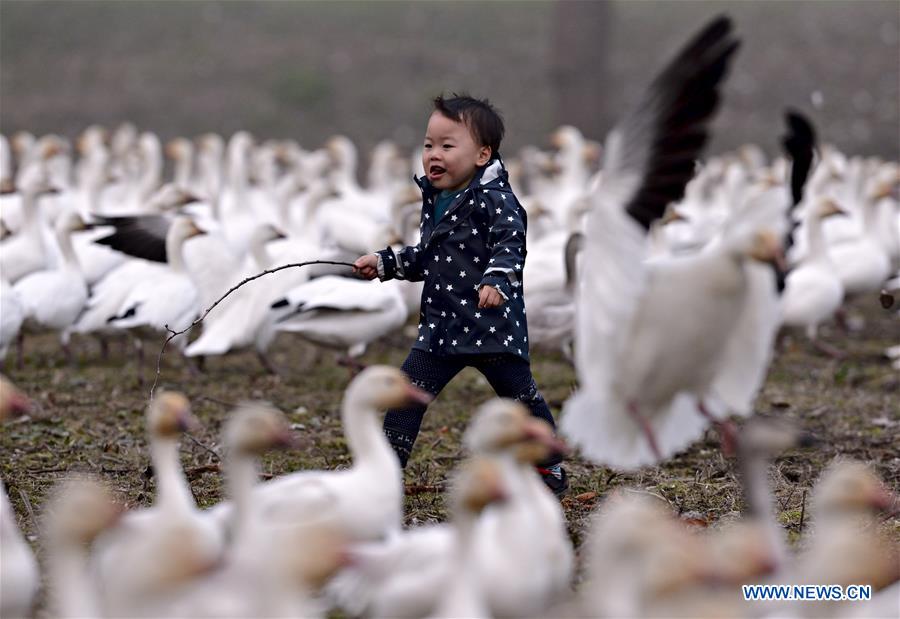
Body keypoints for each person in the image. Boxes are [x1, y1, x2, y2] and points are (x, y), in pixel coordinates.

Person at [353, 94, 567, 495]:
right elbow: (427, 257)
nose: (434, 154)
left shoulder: (498, 201)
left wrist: (496, 281)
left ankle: (547, 466)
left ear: (483, 155)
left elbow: (511, 245)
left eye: (447, 146)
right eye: (429, 144)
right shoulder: (436, 200)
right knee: (405, 400)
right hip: (441, 330)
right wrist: (385, 264)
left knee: (522, 400)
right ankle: (382, 477)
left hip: (492, 330)